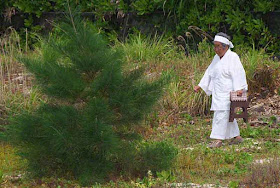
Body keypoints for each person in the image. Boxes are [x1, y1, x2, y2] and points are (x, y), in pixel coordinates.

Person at [194, 32, 248, 148]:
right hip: (218, 91)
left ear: (225, 46)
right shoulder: (216, 58)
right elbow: (209, 72)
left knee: (221, 114)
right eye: (215, 46)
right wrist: (200, 85)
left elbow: (238, 73)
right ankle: (236, 137)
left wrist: (239, 89)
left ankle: (217, 139)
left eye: (218, 46)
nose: (216, 49)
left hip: (228, 91)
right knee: (227, 114)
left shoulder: (233, 57)